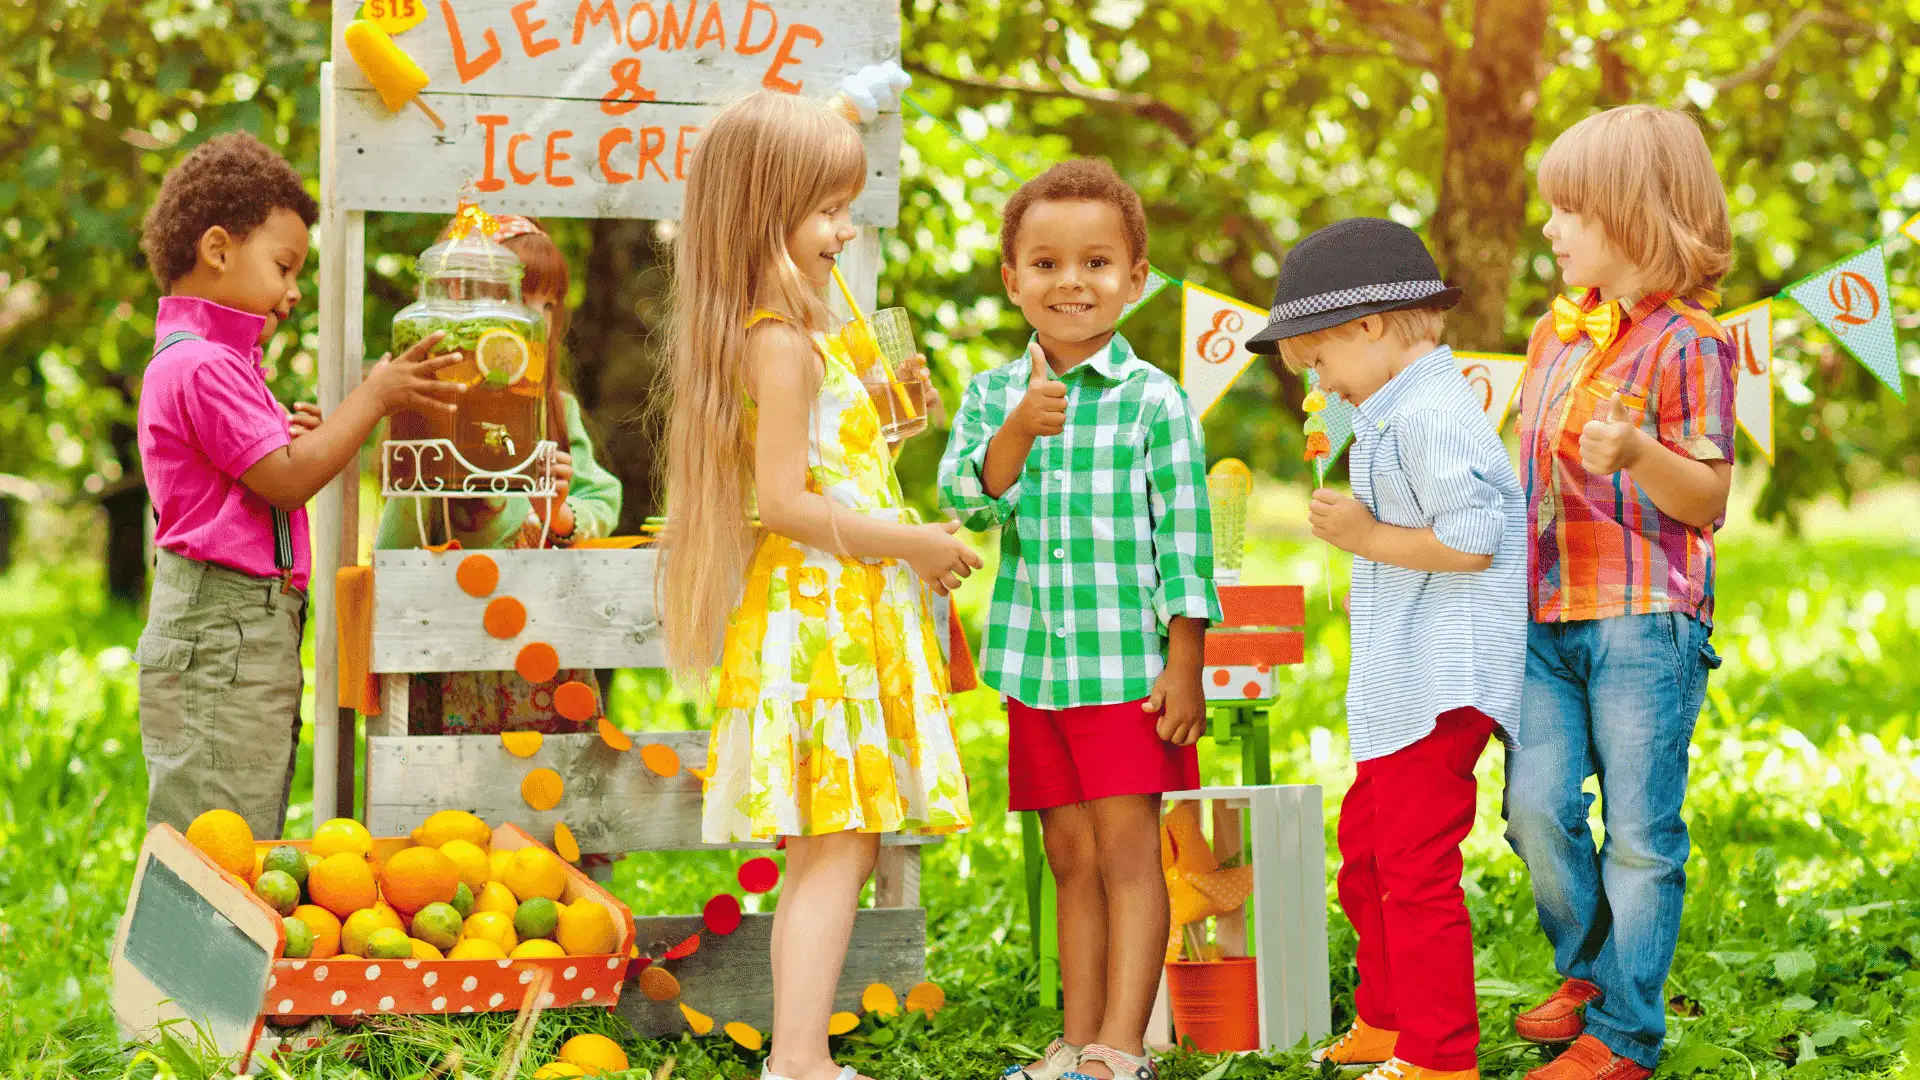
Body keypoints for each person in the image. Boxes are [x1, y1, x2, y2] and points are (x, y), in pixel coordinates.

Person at [658, 90, 977, 1080]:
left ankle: (799, 1059)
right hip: (820, 617)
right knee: (837, 846)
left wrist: (896, 428)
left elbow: (840, 469)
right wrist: (909, 543)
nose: (845, 230)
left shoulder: (808, 331)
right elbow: (786, 504)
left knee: (835, 846)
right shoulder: (779, 343)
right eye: (829, 211)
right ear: (768, 213)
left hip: (835, 610)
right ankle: (799, 1062)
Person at [939, 158, 1221, 1080]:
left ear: (1134, 280)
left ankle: (1123, 1050)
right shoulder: (992, 397)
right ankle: (1078, 1039)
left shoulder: (1155, 402)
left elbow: (1185, 542)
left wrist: (1185, 663)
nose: (1071, 282)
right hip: (1035, 669)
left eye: (1096, 263)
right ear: (1012, 279)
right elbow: (967, 503)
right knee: (1069, 856)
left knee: (1129, 853)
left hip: (1126, 671)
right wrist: (1018, 428)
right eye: (1047, 263)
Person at [1244, 218, 1528, 1080]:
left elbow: (1473, 539)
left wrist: (1366, 537)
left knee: (1412, 869)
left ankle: (1441, 1056)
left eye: (1319, 361)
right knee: (1367, 857)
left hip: (1443, 681)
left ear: (1368, 326)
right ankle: (1387, 1020)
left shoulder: (1431, 416)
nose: (1320, 383)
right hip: (1407, 681)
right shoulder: (1393, 412)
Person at [135, 133, 457, 839]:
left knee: (239, 818)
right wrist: (371, 400)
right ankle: (195, 919)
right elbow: (284, 483)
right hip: (224, 630)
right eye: (283, 266)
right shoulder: (203, 366)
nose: (293, 290)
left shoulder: (214, 361)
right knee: (219, 835)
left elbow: (262, 474)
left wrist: (307, 437)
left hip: (232, 628)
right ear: (217, 250)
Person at [1503, 104, 1734, 1080]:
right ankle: (1592, 969)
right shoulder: (1550, 339)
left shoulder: (1689, 343)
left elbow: (1709, 498)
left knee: (1640, 833)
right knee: (1534, 807)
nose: (1550, 227)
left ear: (1633, 214)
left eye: (1569, 209)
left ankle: (1626, 1035)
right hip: (1542, 614)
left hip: (1644, 620)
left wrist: (1639, 451)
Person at [374, 213, 623, 735]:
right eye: (521, 300)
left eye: (548, 305)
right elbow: (400, 536)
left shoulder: (556, 410)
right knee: (452, 772)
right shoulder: (431, 408)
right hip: (455, 638)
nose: (539, 319)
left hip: (542, 639)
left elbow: (601, 498)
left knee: (549, 769)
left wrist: (559, 516)